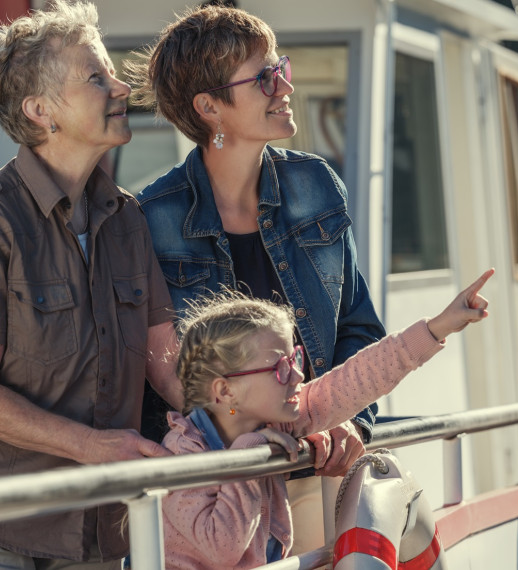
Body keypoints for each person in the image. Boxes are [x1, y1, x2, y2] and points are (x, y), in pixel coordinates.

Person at [0, 2, 183, 568]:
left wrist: (266, 422)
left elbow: (166, 362)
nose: (122, 88)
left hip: (94, 523)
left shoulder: (127, 219)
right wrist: (94, 448)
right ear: (40, 111)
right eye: (96, 77)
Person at [129, 4, 385, 553]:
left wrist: (351, 422)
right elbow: (165, 370)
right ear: (210, 107)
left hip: (319, 467)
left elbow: (358, 326)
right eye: (267, 77)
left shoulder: (316, 184)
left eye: (282, 67)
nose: (285, 85)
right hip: (218, 495)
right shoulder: (152, 217)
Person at [161, 269, 493, 569]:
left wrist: (438, 327)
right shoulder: (183, 453)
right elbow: (221, 549)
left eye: (296, 358)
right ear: (225, 391)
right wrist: (250, 452)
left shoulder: (279, 420)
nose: (296, 374)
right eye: (279, 367)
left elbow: (355, 380)